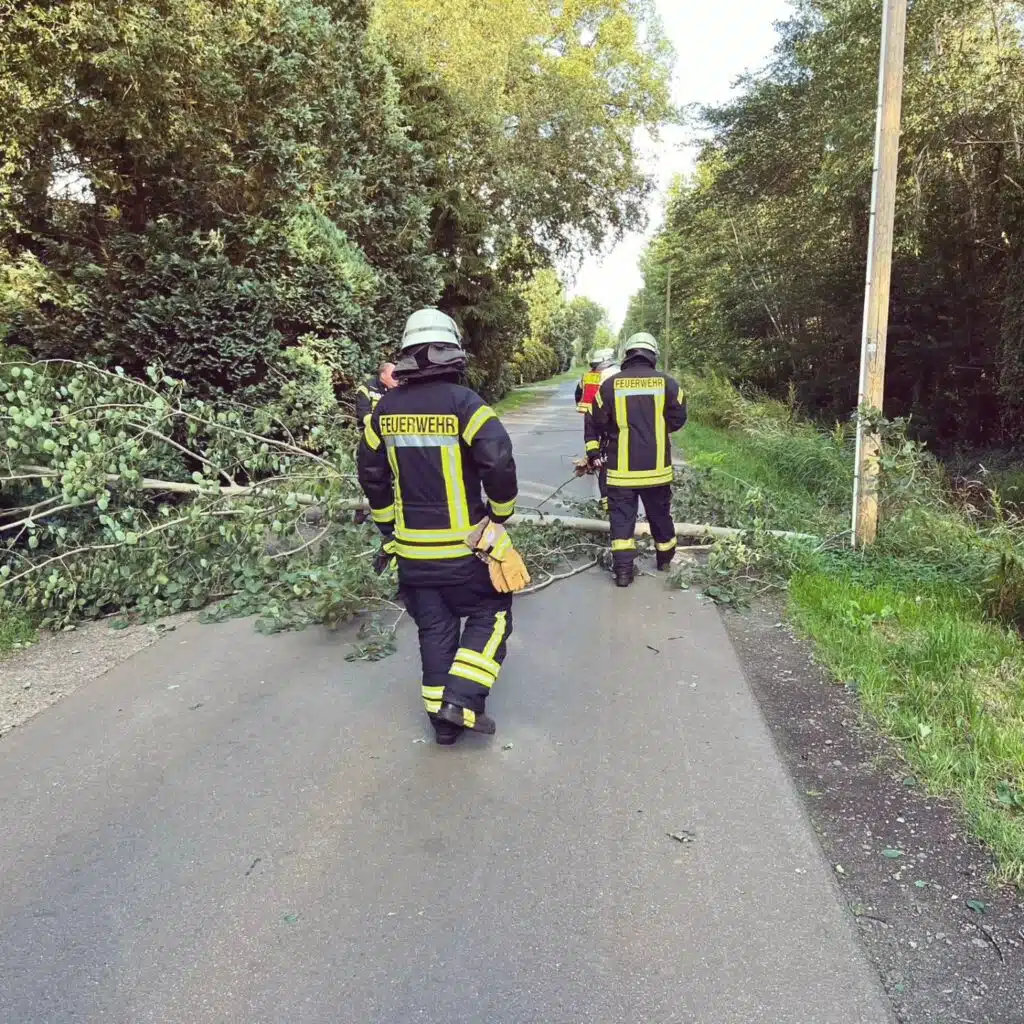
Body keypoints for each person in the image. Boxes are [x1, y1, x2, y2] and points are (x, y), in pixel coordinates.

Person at [357, 308, 525, 746]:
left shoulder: (382, 411)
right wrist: (500, 512)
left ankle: (442, 724)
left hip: (412, 555)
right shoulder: (466, 404)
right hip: (464, 551)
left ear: (408, 354)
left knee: (435, 629)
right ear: (450, 351)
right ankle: (462, 700)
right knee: (493, 614)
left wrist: (388, 532)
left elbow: (372, 477)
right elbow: (498, 457)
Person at [591, 332, 687, 588]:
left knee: (622, 520)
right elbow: (679, 417)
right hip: (657, 471)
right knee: (660, 516)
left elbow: (598, 419)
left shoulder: (610, 386)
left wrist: (613, 432)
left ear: (628, 355)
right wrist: (656, 430)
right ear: (653, 354)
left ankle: (623, 573)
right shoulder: (668, 383)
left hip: (621, 472)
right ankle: (665, 560)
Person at [574, 347, 619, 515]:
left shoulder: (587, 375)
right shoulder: (616, 373)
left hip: (591, 414)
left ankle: (594, 458)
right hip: (610, 416)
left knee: (594, 442)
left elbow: (578, 393)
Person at [355, 361, 398, 429]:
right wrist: (381, 426)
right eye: (394, 375)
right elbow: (364, 414)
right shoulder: (366, 389)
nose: (397, 379)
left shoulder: (396, 391)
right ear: (383, 375)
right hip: (368, 431)